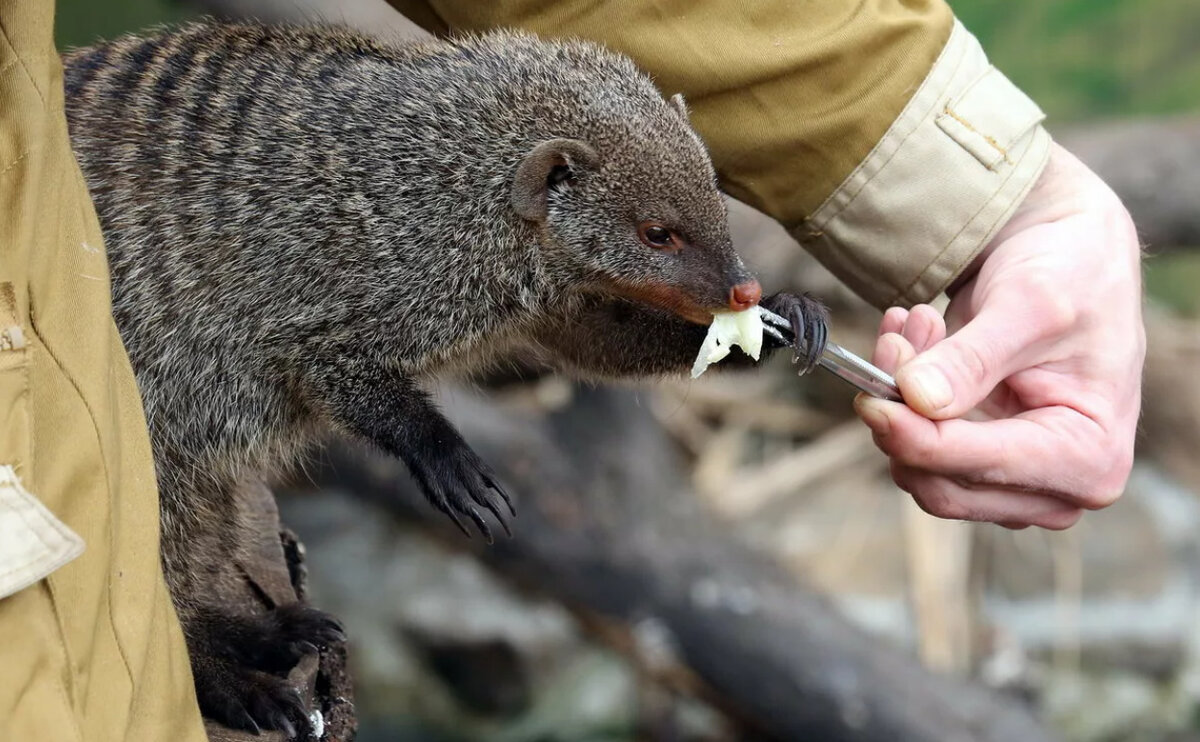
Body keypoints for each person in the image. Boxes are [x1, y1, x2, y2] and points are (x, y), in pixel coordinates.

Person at [0, 1, 1142, 739]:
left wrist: (732, 326)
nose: (721, 271)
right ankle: (208, 644)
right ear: (553, 193)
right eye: (662, 240)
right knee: (158, 472)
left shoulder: (535, 207)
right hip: (147, 315)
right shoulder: (424, 221)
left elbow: (575, 330)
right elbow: (331, 345)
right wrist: (430, 446)